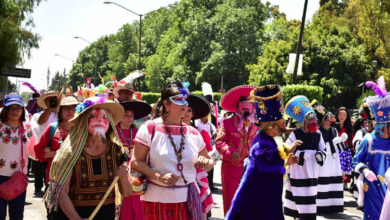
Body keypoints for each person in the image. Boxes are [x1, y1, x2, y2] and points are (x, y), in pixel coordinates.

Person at [132, 81, 214, 220]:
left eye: (185, 100)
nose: (184, 104)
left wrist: (206, 163)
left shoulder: (193, 133)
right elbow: (135, 162)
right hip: (156, 200)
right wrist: (159, 176)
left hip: (188, 201)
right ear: (166, 104)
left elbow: (209, 162)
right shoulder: (150, 128)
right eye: (178, 100)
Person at [44, 97, 132, 219]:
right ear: (84, 121)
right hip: (74, 215)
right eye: (93, 116)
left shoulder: (116, 151)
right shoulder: (71, 151)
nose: (100, 119)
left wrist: (124, 177)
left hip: (106, 215)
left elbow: (127, 192)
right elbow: (61, 192)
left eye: (104, 117)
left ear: (110, 123)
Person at [226, 85, 299, 220]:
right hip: (258, 197)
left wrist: (286, 156)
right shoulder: (261, 142)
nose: (280, 130)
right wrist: (285, 155)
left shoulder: (267, 139)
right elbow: (265, 157)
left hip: (264, 195)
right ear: (270, 126)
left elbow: (270, 159)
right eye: (278, 126)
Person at [215, 85, 258, 215]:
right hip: (231, 169)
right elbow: (219, 141)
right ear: (238, 106)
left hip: (251, 170)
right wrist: (230, 151)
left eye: (249, 105)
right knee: (231, 201)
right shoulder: (227, 123)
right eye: (244, 105)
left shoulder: (256, 125)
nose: (246, 108)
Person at [283, 96, 326, 219]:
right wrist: (297, 156)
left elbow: (323, 149)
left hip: (312, 173)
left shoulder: (318, 134)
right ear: (305, 122)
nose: (314, 123)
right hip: (298, 172)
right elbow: (287, 149)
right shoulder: (295, 133)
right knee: (297, 200)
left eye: (314, 120)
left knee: (310, 200)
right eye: (311, 120)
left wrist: (319, 155)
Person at [353, 78, 390, 220]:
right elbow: (356, 160)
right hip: (373, 188)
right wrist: (365, 170)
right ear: (382, 126)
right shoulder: (368, 140)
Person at [0, 94, 37, 220]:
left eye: (18, 108)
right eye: (12, 107)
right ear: (5, 109)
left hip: (19, 179)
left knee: (17, 216)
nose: (15, 111)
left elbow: (34, 151)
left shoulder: (27, 128)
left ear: (22, 110)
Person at [116, 100, 151, 220]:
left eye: (132, 115)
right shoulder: (112, 132)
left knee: (138, 209)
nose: (129, 117)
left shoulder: (138, 133)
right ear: (119, 115)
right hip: (119, 178)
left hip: (137, 178)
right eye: (126, 114)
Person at [34, 96, 78, 187]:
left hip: (76, 179)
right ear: (60, 112)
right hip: (55, 178)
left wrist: (52, 152)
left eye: (73, 108)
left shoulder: (80, 129)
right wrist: (57, 153)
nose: (71, 111)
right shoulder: (52, 128)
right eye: (67, 108)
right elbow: (39, 153)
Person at [183, 93, 215, 219]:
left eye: (189, 110)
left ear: (193, 114)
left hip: (196, 179)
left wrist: (205, 161)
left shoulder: (200, 134)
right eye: (183, 109)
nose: (185, 113)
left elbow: (210, 160)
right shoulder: (165, 131)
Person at [312, 100, 344, 214]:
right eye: (327, 119)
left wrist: (341, 141)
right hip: (323, 162)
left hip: (334, 162)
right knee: (323, 183)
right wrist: (333, 144)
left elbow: (340, 148)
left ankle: (334, 206)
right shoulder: (318, 132)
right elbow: (320, 148)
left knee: (333, 183)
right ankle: (321, 207)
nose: (329, 122)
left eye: (330, 120)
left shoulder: (334, 130)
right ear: (323, 120)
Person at [30, 91, 64, 196]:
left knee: (50, 174)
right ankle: (38, 188)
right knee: (39, 171)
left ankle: (49, 189)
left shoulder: (61, 115)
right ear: (46, 102)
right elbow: (40, 122)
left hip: (55, 150)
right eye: (50, 100)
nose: (53, 101)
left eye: (55, 99)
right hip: (42, 149)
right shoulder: (37, 115)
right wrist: (49, 109)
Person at [335, 107, 354, 185]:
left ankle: (344, 186)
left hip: (345, 151)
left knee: (344, 173)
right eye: (340, 114)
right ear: (337, 115)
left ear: (347, 116)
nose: (341, 116)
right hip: (335, 152)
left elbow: (351, 140)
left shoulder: (349, 127)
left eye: (344, 114)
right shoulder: (333, 126)